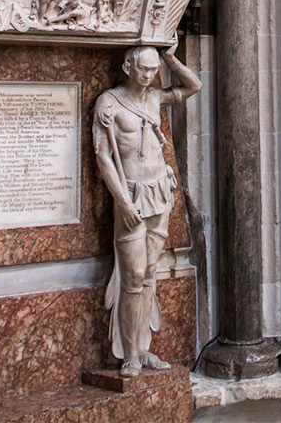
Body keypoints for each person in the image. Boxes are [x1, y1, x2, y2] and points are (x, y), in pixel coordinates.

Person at [93, 43, 202, 377]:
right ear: (128, 67)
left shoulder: (155, 97)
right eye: (144, 69)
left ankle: (143, 349)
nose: (150, 75)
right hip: (131, 195)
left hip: (158, 191)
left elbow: (193, 85)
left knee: (151, 273)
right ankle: (128, 354)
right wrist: (122, 202)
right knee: (133, 276)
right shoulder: (109, 103)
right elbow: (103, 157)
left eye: (155, 70)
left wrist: (171, 59)